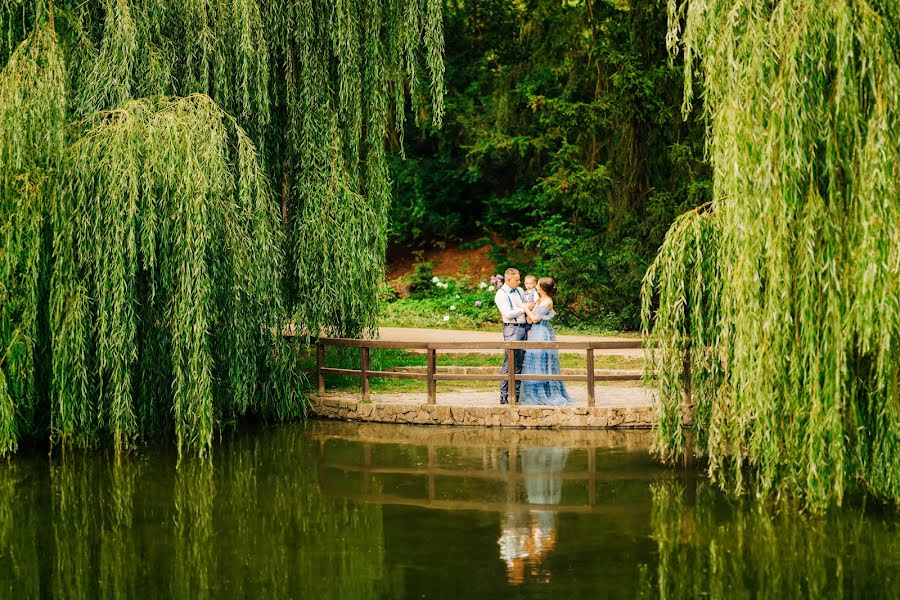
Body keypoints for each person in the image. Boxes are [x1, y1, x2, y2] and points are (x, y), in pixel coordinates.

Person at [520, 277, 571, 405]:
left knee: (542, 360)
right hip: (535, 332)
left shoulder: (547, 301)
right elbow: (531, 320)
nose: (535, 286)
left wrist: (525, 308)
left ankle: (545, 393)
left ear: (542, 288)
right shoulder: (540, 299)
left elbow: (535, 319)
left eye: (537, 285)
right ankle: (535, 392)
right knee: (535, 360)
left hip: (542, 333)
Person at [494, 268, 535, 404]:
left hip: (523, 327)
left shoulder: (520, 291)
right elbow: (508, 313)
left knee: (520, 360)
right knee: (509, 360)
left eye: (519, 279)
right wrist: (524, 308)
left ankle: (516, 393)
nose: (519, 282)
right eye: (516, 280)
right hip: (511, 329)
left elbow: (525, 306)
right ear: (508, 279)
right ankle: (504, 394)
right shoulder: (500, 294)